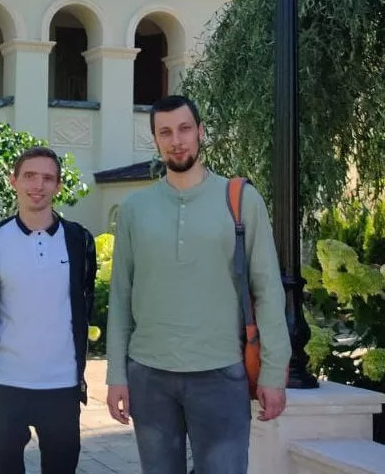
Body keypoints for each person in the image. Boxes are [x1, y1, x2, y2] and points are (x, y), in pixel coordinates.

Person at [106, 95, 292, 474]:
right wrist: (116, 376)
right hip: (149, 375)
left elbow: (267, 289)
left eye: (185, 129)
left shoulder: (240, 200)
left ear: (200, 132)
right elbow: (121, 296)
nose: (176, 141)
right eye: (165, 132)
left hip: (220, 372)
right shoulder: (135, 209)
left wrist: (274, 373)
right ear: (155, 140)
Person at [0, 146, 97, 474]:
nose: (38, 185)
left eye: (47, 178)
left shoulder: (79, 240)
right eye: (29, 176)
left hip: (62, 385)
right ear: (13, 181)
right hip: (5, 385)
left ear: (58, 186)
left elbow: (85, 302)